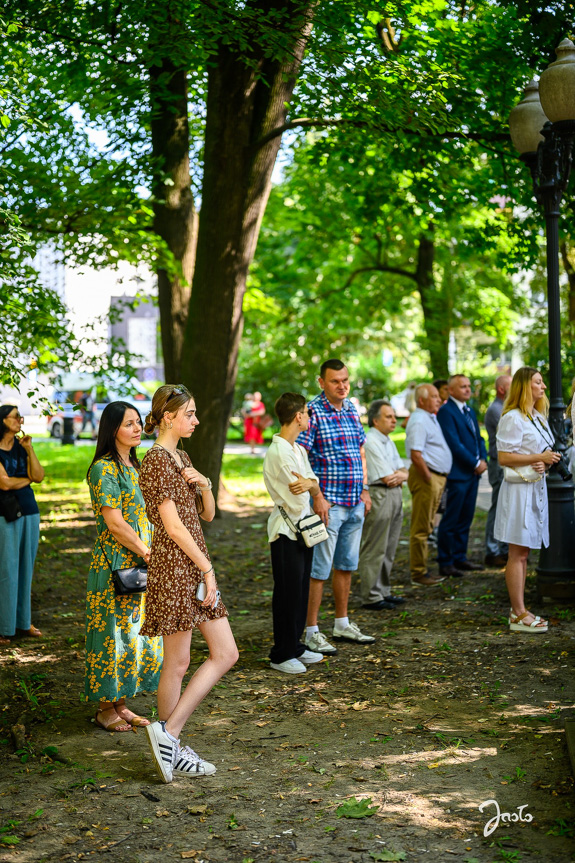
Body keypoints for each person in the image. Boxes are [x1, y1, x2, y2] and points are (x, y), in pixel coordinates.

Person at [139, 385, 238, 782]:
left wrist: (205, 485)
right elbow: (174, 527)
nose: (196, 421)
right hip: (177, 567)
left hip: (191, 566)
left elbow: (206, 517)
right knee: (178, 663)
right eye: (190, 414)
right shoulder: (157, 460)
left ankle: (168, 735)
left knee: (224, 652)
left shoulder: (180, 456)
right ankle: (170, 743)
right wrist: (207, 568)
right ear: (168, 417)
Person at [85, 402, 163, 732]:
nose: (137, 428)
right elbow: (114, 523)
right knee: (111, 634)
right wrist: (147, 552)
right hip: (116, 562)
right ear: (112, 429)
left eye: (138, 422)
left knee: (132, 633)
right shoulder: (104, 469)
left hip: (139, 558)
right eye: (128, 423)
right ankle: (105, 708)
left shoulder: (133, 465)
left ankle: (121, 703)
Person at [298, 359, 375, 655]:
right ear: (321, 383)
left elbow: (360, 451)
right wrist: (317, 496)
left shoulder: (352, 409)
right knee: (319, 569)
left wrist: (365, 489)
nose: (341, 386)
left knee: (346, 564)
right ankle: (312, 631)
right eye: (334, 381)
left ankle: (342, 623)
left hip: (355, 502)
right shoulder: (313, 412)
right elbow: (300, 456)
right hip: (328, 506)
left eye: (345, 380)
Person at [494, 367, 560, 633]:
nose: (543, 387)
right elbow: (504, 457)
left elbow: (542, 452)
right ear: (524, 386)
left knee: (525, 553)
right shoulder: (512, 417)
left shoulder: (537, 416)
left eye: (543, 382)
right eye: (538, 382)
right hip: (519, 491)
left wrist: (545, 462)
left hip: (535, 487)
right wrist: (538, 459)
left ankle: (520, 611)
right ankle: (518, 613)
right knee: (518, 552)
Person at [263, 393, 323, 674]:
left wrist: (311, 484)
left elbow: (311, 481)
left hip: (304, 529)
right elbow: (297, 494)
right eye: (307, 413)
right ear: (298, 416)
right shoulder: (278, 452)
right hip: (286, 530)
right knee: (287, 592)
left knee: (300, 589)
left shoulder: (298, 450)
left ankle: (296, 646)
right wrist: (309, 485)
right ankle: (281, 653)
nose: (309, 418)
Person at [357, 400, 408, 610]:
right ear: (375, 420)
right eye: (388, 416)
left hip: (394, 495)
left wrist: (400, 475)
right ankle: (371, 595)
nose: (394, 420)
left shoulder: (388, 440)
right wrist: (399, 475)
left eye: (394, 415)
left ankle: (383, 590)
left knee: (390, 545)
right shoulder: (371, 441)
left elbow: (404, 470)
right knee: (375, 545)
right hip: (380, 494)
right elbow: (388, 477)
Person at [0, 406, 44, 645]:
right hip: (5, 514)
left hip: (30, 511)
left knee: (26, 568)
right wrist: (26, 479)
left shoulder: (21, 446)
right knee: (6, 569)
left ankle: (23, 622)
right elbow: (4, 484)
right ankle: (4, 627)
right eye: (15, 416)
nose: (20, 420)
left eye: (20, 416)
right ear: (2, 421)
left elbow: (38, 474)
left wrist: (29, 448)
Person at [436, 374, 487, 577]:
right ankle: (446, 561)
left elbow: (479, 439)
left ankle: (460, 557)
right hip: (457, 474)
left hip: (473, 475)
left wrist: (483, 460)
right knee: (451, 520)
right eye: (463, 386)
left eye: (468, 386)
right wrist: (475, 463)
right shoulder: (446, 412)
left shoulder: (469, 410)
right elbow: (454, 443)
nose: (467, 389)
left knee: (466, 518)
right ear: (451, 390)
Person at [405, 384, 453, 586]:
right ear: (422, 400)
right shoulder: (418, 420)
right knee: (421, 527)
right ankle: (418, 573)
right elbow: (416, 454)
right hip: (427, 478)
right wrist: (428, 478)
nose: (440, 399)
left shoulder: (429, 417)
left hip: (435, 477)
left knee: (428, 525)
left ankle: (423, 569)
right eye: (434, 396)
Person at [484, 375, 512, 567]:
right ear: (501, 389)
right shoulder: (495, 409)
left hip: (505, 465)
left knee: (506, 507)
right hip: (498, 464)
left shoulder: (505, 408)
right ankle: (492, 550)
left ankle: (503, 549)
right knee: (497, 506)